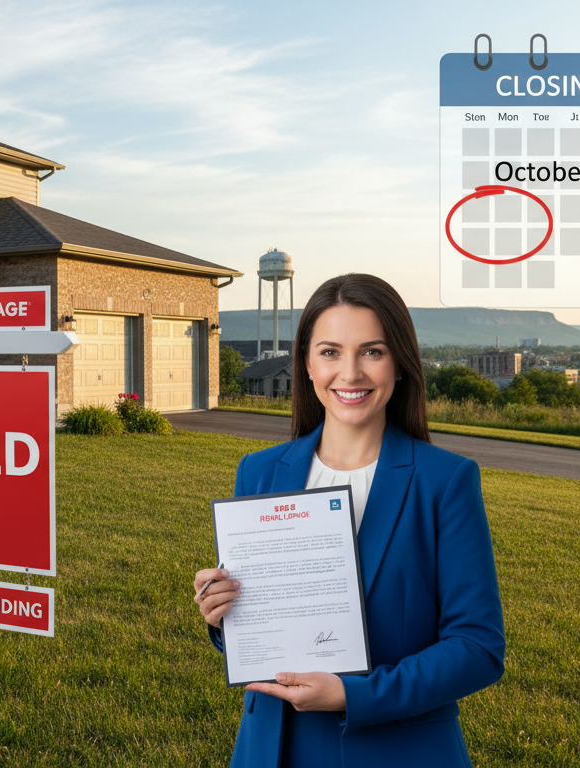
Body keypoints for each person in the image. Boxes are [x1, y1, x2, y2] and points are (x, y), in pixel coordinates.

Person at [193, 273, 505, 767]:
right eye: (331, 352)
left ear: (399, 364)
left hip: (394, 751)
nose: (351, 373)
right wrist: (221, 613)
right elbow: (260, 626)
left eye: (372, 352)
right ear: (307, 364)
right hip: (270, 748)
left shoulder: (444, 482)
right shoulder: (259, 471)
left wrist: (352, 695)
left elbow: (478, 648)